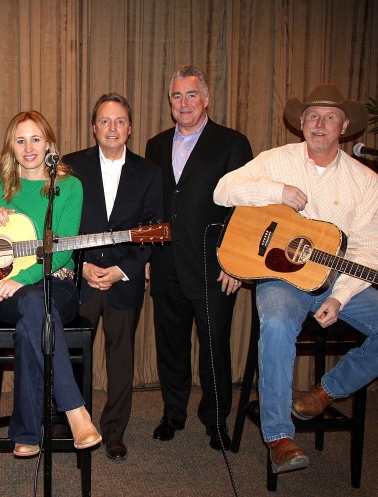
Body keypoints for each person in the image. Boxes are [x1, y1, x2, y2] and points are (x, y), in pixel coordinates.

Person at [213, 83, 378, 473]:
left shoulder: (366, 180)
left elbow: (369, 250)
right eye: (313, 116)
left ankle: (325, 391)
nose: (320, 124)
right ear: (301, 123)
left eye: (330, 117)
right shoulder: (277, 159)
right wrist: (277, 190)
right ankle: (279, 436)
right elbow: (224, 189)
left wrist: (339, 296)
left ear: (345, 126)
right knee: (276, 321)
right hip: (282, 279)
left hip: (340, 280)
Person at [145, 66, 253, 451]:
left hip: (215, 267)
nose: (184, 103)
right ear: (170, 102)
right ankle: (173, 413)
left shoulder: (232, 143)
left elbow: (246, 210)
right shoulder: (154, 145)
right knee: (170, 346)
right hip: (165, 264)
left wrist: (236, 262)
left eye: (192, 95)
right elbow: (152, 206)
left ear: (206, 99)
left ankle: (216, 420)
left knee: (214, 346)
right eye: (177, 96)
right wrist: (146, 258)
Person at [0, 110, 102, 458]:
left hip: (58, 287)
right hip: (6, 292)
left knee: (34, 314)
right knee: (32, 310)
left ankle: (28, 431)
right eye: (20, 140)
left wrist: (22, 279)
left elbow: (62, 251)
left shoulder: (69, 187)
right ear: (11, 147)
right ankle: (75, 410)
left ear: (49, 143)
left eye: (36, 139)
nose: (29, 147)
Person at [63, 93, 162, 461]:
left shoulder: (149, 173)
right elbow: (61, 224)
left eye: (120, 121)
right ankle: (76, 423)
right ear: (93, 127)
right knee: (75, 356)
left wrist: (122, 270)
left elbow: (153, 228)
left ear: (130, 128)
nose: (112, 128)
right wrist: (81, 265)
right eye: (105, 121)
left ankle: (115, 431)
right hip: (81, 277)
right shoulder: (71, 167)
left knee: (121, 359)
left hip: (125, 278)